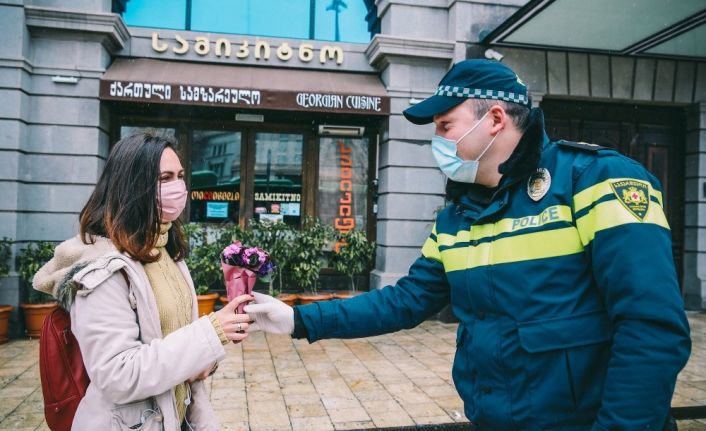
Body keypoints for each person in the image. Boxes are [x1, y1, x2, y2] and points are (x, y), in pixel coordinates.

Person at [244, 59, 692, 430]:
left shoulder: (597, 180)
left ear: (495, 119)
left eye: (445, 125)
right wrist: (298, 319)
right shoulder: (457, 216)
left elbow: (651, 328)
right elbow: (405, 301)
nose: (437, 141)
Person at [33, 131, 253, 430]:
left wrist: (204, 361)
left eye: (180, 176)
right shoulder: (102, 269)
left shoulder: (165, 252)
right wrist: (210, 333)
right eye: (165, 178)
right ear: (133, 186)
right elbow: (118, 375)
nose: (178, 187)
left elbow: (173, 342)